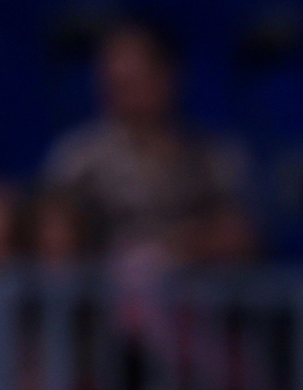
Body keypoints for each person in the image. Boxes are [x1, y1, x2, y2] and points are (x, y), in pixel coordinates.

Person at [41, 18, 254, 269]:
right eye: (112, 83)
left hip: (194, 293)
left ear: (167, 78)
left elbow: (239, 235)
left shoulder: (215, 156)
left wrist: (177, 250)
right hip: (102, 294)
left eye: (130, 83)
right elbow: (51, 236)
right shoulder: (78, 156)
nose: (118, 95)